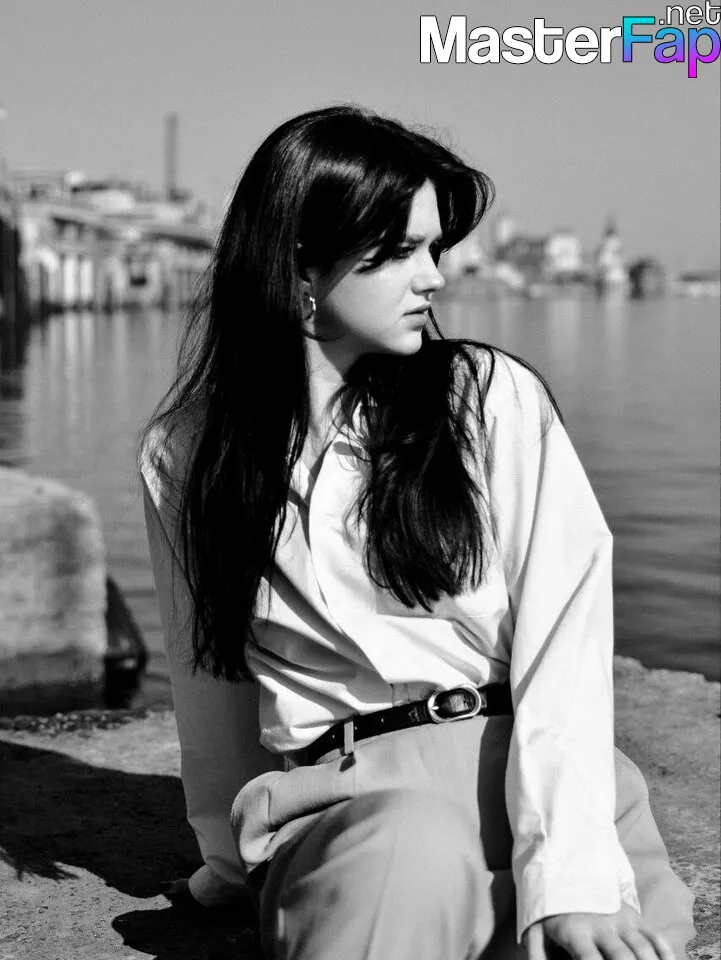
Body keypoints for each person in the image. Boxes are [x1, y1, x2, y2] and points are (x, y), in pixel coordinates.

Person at [140, 105, 695, 960]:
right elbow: (206, 677)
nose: (433, 277)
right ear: (300, 264)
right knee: (408, 853)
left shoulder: (485, 397)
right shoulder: (188, 452)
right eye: (400, 251)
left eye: (435, 248)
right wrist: (229, 857)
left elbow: (564, 635)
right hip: (357, 807)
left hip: (536, 792)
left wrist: (573, 876)